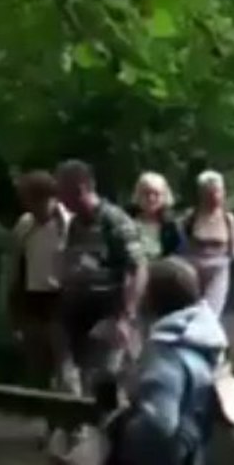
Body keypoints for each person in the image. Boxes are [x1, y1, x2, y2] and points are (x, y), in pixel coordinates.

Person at [108, 257, 223, 465]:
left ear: (152, 300)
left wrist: (118, 432)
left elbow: (157, 426)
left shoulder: (166, 354)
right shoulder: (199, 339)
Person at [55, 159, 147, 396]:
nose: (59, 199)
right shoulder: (75, 224)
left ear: (81, 189)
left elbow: (137, 268)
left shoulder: (114, 221)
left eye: (63, 192)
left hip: (109, 314)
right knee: (82, 379)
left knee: (105, 381)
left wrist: (126, 317)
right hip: (79, 315)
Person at [7, 171, 74, 400]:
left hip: (61, 300)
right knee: (36, 368)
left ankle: (71, 415)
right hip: (32, 300)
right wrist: (14, 305)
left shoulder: (68, 225)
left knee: (65, 367)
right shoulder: (25, 225)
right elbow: (15, 266)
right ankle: (43, 416)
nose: (33, 208)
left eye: (37, 202)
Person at [181, 171, 234, 318]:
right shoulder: (191, 217)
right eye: (209, 193)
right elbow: (182, 245)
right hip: (193, 271)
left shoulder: (229, 219)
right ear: (201, 194)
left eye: (218, 192)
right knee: (193, 311)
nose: (215, 197)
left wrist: (228, 255)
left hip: (218, 271)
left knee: (212, 312)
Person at [129, 172, 184, 261]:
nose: (151, 198)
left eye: (156, 194)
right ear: (138, 195)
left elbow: (177, 254)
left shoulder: (171, 225)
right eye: (146, 193)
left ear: (164, 196)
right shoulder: (126, 220)